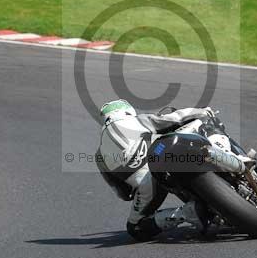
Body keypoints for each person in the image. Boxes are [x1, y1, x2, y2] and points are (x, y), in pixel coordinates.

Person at [95, 99, 240, 241]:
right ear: (127, 111)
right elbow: (174, 118)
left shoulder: (99, 156)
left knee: (135, 228)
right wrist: (202, 111)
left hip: (147, 184)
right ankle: (230, 155)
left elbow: (124, 193)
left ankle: (185, 213)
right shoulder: (135, 121)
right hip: (165, 154)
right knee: (205, 122)